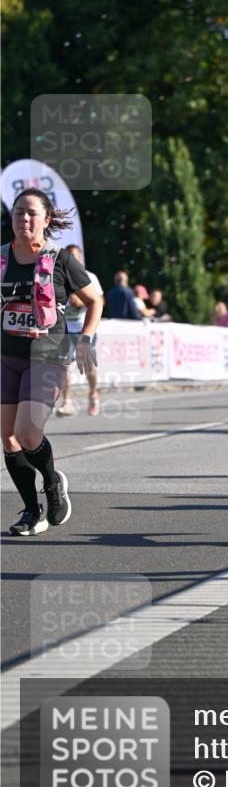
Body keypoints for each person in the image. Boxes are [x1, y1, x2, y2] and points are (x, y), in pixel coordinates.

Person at [1, 190, 103, 535]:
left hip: (47, 355)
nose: (24, 219)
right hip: (6, 355)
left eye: (31, 213)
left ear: (46, 219)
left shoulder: (60, 259)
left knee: (28, 433)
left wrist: (86, 338)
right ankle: (32, 512)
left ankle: (52, 481)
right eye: (18, 212)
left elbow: (95, 300)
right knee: (8, 437)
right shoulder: (1, 258)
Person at [57, 244, 105, 417]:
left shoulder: (89, 276)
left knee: (88, 365)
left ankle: (93, 393)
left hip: (84, 328)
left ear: (80, 258)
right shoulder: (59, 275)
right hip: (65, 329)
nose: (72, 260)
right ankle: (67, 402)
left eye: (75, 256)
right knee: (63, 366)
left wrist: (81, 301)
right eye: (69, 256)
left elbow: (100, 302)